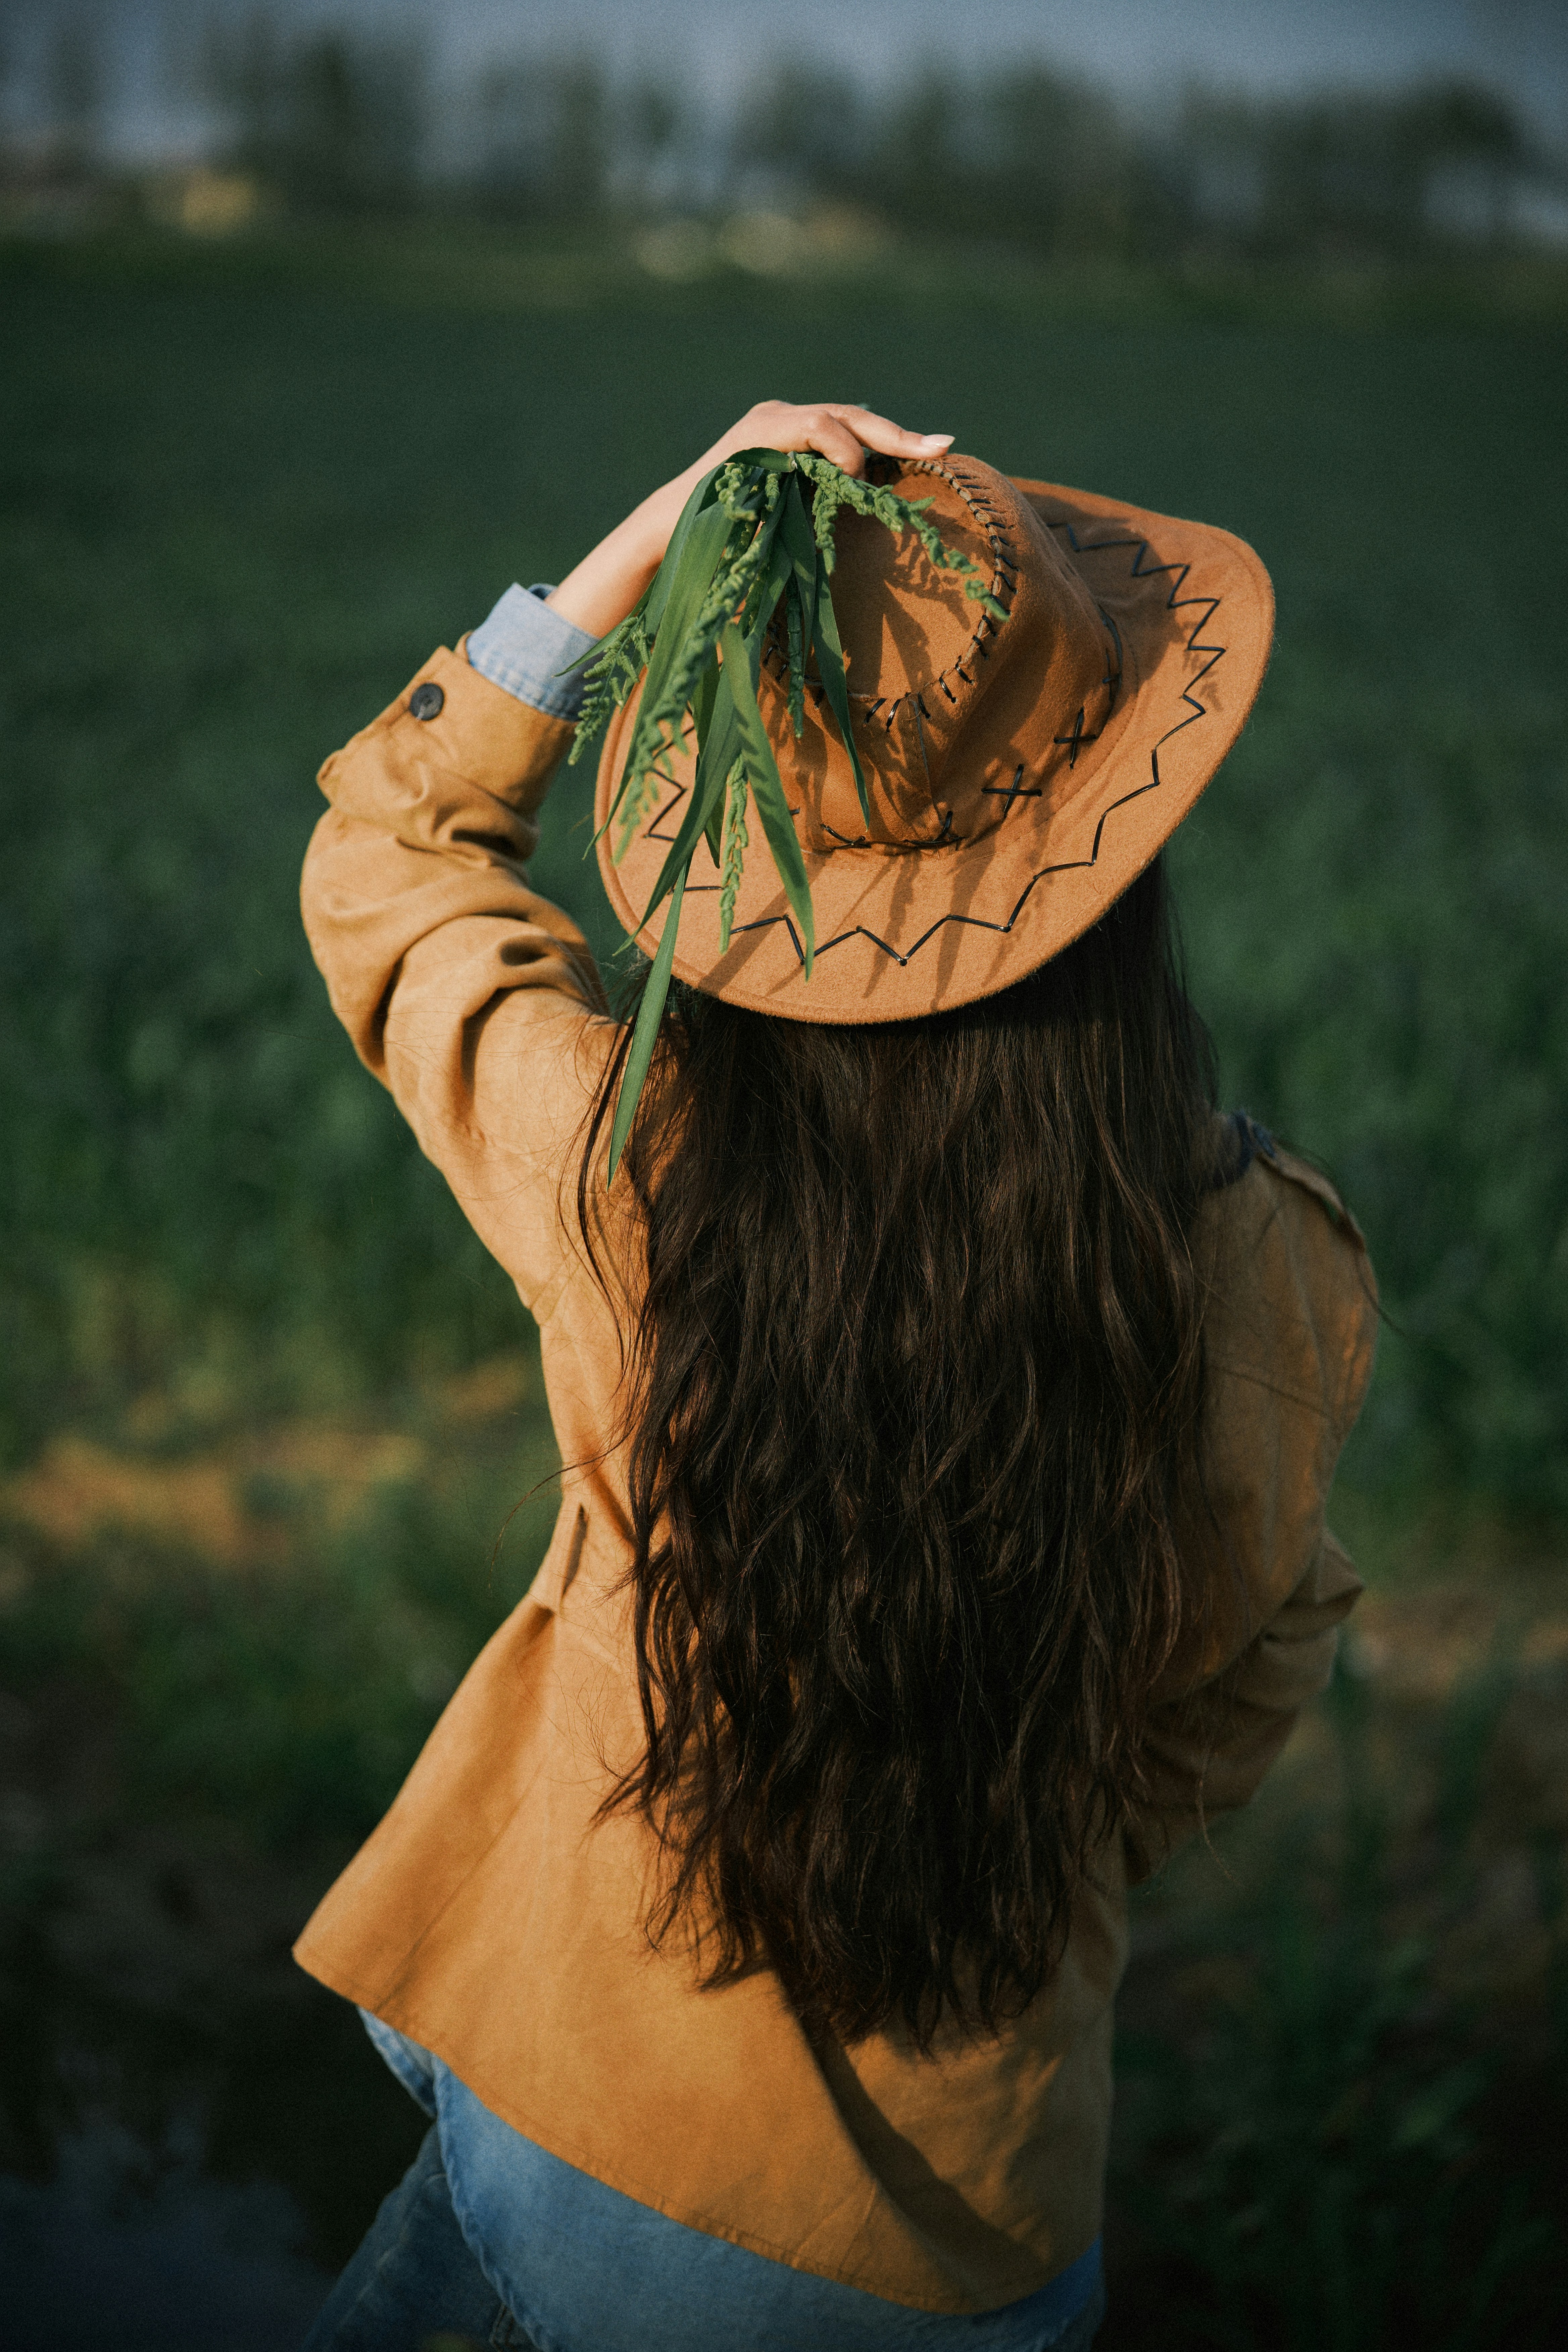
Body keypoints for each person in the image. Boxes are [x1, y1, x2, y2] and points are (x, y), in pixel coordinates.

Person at [294, 402, 1377, 2352]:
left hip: (569, 2105)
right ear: (1116, 851)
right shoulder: (1265, 1265)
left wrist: (648, 536)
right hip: (967, 2243)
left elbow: (389, 865)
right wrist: (1026, 1813)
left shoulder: (631, 1173)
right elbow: (1249, 1671)